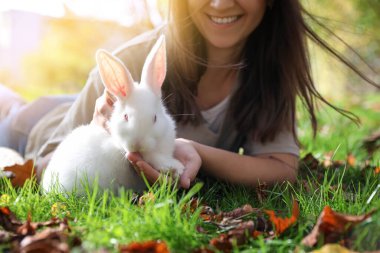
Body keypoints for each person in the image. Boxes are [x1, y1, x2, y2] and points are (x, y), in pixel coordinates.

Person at [0, 0, 376, 190]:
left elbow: (281, 167)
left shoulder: (268, 70)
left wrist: (195, 152)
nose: (220, 2)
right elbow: (46, 160)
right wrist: (103, 135)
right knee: (13, 112)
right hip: (38, 124)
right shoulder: (133, 62)